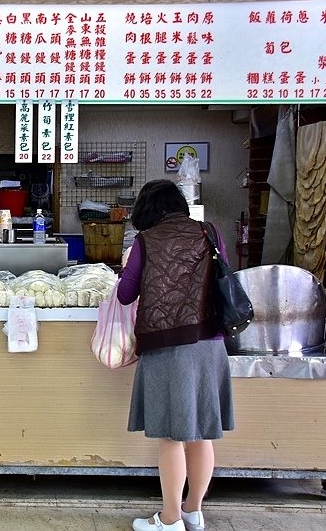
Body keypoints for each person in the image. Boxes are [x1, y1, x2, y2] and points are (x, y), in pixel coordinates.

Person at [117, 179, 234, 531]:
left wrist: (128, 269)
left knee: (171, 436)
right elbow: (223, 276)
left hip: (168, 345)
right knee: (199, 434)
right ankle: (193, 512)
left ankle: (169, 520)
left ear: (146, 212)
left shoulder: (146, 241)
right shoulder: (209, 232)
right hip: (211, 343)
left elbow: (125, 294)